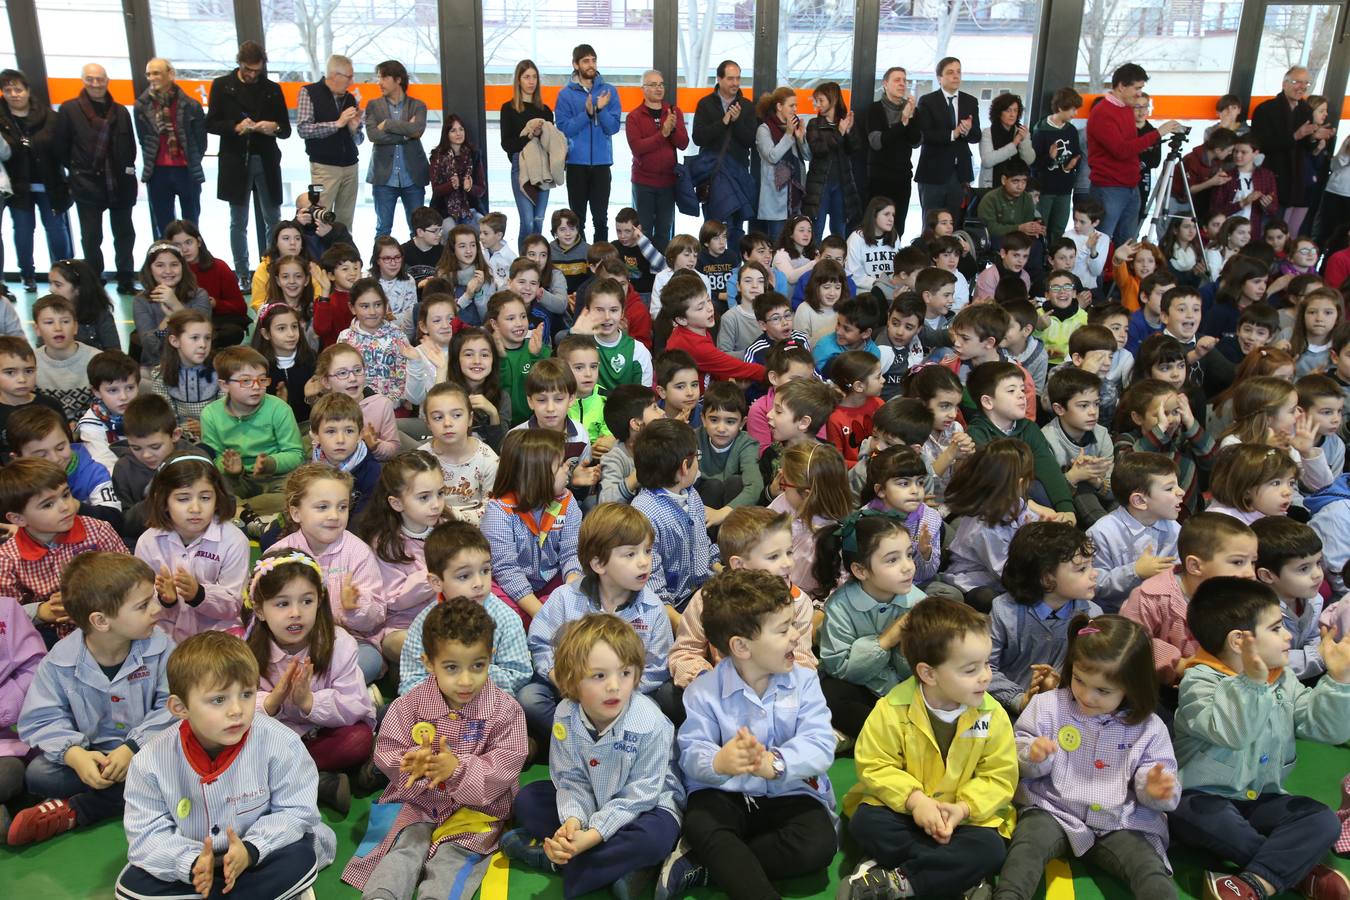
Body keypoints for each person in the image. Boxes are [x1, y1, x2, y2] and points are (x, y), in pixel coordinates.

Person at [658, 568, 837, 900]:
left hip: (788, 790)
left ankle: (707, 865)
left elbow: (821, 743)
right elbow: (692, 752)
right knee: (703, 822)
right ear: (740, 646)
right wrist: (719, 761)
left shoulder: (805, 681)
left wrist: (778, 763)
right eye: (783, 630)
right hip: (725, 792)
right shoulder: (703, 691)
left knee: (818, 846)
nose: (797, 636)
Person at [116, 631, 336, 899]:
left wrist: (252, 849)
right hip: (195, 865)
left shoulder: (281, 741)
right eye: (219, 700)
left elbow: (297, 811)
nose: (237, 710)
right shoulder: (149, 761)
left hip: (259, 858)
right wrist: (191, 863)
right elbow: (146, 835)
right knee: (131, 885)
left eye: (246, 694)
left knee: (301, 856)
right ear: (180, 707)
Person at [1170, 577, 1350, 900]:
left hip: (1259, 800)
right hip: (1204, 799)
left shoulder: (1282, 679)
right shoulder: (1198, 681)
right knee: (1194, 815)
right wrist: (1253, 683)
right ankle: (1299, 872)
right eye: (1277, 628)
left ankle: (1254, 884)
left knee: (1323, 820)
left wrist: (1338, 682)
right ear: (1239, 641)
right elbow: (1234, 733)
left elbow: (1323, 728)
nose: (1288, 635)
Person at [340, 598, 529, 899]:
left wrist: (458, 770)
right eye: (452, 667)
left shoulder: (506, 711)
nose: (466, 680)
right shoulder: (410, 704)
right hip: (418, 800)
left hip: (475, 809)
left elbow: (505, 767)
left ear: (490, 658)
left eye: (477, 666)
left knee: (453, 858)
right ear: (428, 663)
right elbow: (387, 750)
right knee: (405, 846)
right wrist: (408, 763)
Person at [837, 597, 1015, 900]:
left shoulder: (992, 714)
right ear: (928, 673)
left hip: (964, 819)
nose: (986, 675)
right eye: (971, 669)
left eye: (986, 663)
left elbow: (999, 776)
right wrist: (915, 801)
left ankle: (901, 878)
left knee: (991, 847)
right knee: (867, 822)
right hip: (903, 811)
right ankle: (957, 877)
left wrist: (963, 808)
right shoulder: (891, 708)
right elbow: (875, 765)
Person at [996, 614, 1180, 900]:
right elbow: (1020, 757)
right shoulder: (1047, 706)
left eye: (1103, 691)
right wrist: (1033, 756)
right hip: (1053, 809)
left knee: (1148, 868)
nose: (1086, 695)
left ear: (1132, 687)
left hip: (1120, 821)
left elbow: (1160, 777)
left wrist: (1154, 790)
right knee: (1026, 849)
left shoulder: (1150, 727)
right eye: (1079, 680)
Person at [503, 612, 684, 898]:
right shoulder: (565, 714)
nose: (614, 685)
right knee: (528, 801)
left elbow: (642, 794)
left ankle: (562, 863)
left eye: (625, 673)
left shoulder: (651, 722)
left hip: (646, 807)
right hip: (592, 801)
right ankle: (624, 869)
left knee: (657, 836)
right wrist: (573, 822)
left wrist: (592, 835)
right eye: (599, 675)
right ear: (572, 682)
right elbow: (570, 778)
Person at [10, 552, 169, 845]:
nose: (157, 610)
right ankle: (130, 795)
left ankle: (79, 809)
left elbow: (173, 707)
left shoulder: (161, 647)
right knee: (39, 774)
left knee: (175, 768)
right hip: (94, 755)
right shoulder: (60, 661)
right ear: (101, 621)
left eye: (154, 599)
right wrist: (75, 755)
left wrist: (133, 747)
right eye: (144, 605)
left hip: (150, 752)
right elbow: (41, 719)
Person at [205, 41, 288, 288]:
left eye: (257, 70)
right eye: (248, 69)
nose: (252, 75)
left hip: (266, 158)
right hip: (235, 160)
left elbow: (285, 128)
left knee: (272, 217)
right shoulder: (222, 86)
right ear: (239, 63)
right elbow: (210, 123)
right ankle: (242, 272)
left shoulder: (272, 88)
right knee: (238, 219)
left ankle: (273, 266)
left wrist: (272, 127)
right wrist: (234, 127)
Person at [53, 63, 138, 294]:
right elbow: (60, 147)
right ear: (83, 81)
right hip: (87, 185)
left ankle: (126, 279)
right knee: (91, 238)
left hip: (120, 185)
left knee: (124, 235)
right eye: (90, 79)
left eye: (100, 79)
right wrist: (78, 169)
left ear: (107, 81)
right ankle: (94, 281)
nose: (96, 84)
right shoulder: (69, 110)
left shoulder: (120, 111)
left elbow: (130, 147)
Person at [1085, 63, 1182, 247]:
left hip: (1131, 185)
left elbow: (1128, 146)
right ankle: (1096, 277)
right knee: (1100, 243)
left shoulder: (1125, 109)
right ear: (1121, 86)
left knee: (1128, 243)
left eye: (1141, 88)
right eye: (1137, 88)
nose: (1139, 94)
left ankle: (1121, 277)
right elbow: (1121, 150)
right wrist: (1156, 134)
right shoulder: (1103, 113)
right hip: (1109, 187)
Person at [0, 68, 73, 292]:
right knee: (23, 230)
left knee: (56, 229)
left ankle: (65, 272)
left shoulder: (49, 116)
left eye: (18, 89)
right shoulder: (1, 118)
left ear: (28, 91)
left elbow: (63, 148)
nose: (14, 94)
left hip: (50, 184)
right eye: (8, 90)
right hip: (17, 187)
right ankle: (27, 275)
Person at [1251, 66, 1335, 237]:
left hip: (1295, 180)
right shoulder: (1265, 109)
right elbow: (1261, 144)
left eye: (1306, 83)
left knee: (1284, 232)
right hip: (1270, 176)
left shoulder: (1305, 110)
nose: (1302, 87)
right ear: (1284, 84)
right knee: (1264, 230)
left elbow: (1306, 148)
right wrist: (1296, 135)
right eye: (1297, 82)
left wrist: (1313, 138)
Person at [555, 44, 621, 243]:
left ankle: (601, 262)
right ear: (575, 64)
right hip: (576, 164)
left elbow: (613, 127)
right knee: (577, 220)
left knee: (601, 219)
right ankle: (580, 262)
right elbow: (565, 129)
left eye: (593, 60)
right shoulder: (565, 94)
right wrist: (588, 113)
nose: (591, 65)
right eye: (586, 61)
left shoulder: (609, 91)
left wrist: (601, 110)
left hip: (602, 165)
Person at [133, 58, 206, 239]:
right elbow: (144, 139)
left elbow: (200, 141)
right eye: (148, 74)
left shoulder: (191, 105)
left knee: (191, 224)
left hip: (186, 170)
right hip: (157, 171)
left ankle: (191, 264)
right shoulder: (141, 106)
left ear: (170, 74)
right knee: (163, 225)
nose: (151, 78)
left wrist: (192, 158)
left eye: (156, 73)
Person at [691, 60, 758, 249]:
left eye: (738, 78)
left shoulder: (747, 106)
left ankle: (735, 269)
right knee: (714, 229)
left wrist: (736, 122)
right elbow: (698, 138)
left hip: (739, 175)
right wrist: (724, 121)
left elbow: (750, 141)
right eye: (730, 78)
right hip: (714, 175)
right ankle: (711, 270)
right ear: (719, 79)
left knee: (736, 229)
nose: (735, 83)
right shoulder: (705, 104)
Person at [297, 54, 363, 229]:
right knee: (321, 218)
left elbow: (359, 139)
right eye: (349, 77)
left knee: (345, 221)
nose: (351, 81)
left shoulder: (350, 98)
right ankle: (321, 256)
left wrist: (354, 129)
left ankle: (343, 254)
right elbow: (303, 129)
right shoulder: (309, 92)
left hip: (350, 165)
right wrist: (338, 123)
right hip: (324, 167)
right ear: (335, 76)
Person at [364, 59, 429, 239]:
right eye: (379, 78)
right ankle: (379, 266)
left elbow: (418, 130)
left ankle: (418, 267)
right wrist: (406, 133)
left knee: (418, 230)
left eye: (384, 77)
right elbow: (373, 136)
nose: (380, 82)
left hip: (413, 177)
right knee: (383, 229)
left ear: (398, 79)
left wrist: (388, 124)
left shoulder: (418, 105)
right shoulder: (373, 105)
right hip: (384, 177)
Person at [914, 57, 980, 226]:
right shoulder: (927, 101)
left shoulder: (970, 101)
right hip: (933, 173)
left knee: (955, 223)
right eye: (950, 72)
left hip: (959, 175)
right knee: (931, 223)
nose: (955, 76)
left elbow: (976, 136)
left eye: (958, 72)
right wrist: (953, 133)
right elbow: (925, 134)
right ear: (939, 78)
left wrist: (966, 131)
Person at [626, 69, 687, 248]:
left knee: (664, 231)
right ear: (643, 89)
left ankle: (661, 272)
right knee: (643, 231)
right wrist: (663, 133)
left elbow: (683, 144)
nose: (658, 88)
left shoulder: (674, 112)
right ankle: (644, 273)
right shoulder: (634, 117)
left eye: (661, 84)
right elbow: (638, 148)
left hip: (668, 182)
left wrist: (673, 129)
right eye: (653, 85)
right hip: (644, 182)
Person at [501, 59, 555, 244]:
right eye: (526, 77)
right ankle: (523, 267)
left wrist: (542, 136)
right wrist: (530, 136)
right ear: (518, 80)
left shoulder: (546, 110)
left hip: (543, 168)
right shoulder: (508, 109)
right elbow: (507, 144)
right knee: (528, 222)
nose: (531, 81)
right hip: (521, 167)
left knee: (539, 222)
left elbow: (552, 145)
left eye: (534, 77)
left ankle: (537, 265)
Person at [865, 67, 920, 235]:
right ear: (885, 84)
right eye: (897, 80)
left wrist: (910, 118)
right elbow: (877, 142)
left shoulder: (911, 110)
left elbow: (916, 141)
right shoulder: (874, 110)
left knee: (898, 225)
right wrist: (902, 122)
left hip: (902, 177)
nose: (902, 84)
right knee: (877, 225)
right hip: (879, 177)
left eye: (904, 80)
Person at [804, 81, 860, 240]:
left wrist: (848, 132)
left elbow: (854, 149)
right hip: (820, 184)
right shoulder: (814, 124)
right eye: (816, 101)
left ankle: (838, 263)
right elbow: (818, 149)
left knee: (839, 230)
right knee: (816, 230)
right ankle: (814, 264)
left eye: (821, 100)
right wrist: (839, 133)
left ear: (833, 99)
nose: (817, 105)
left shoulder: (845, 122)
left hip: (842, 184)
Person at [978, 93, 1035, 190]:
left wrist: (1024, 141)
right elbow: (987, 161)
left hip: (1017, 187)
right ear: (999, 112)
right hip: (991, 186)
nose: (1012, 115)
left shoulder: (1021, 132)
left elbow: (1029, 160)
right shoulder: (988, 133)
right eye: (1008, 110)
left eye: (1015, 110)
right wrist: (1014, 144)